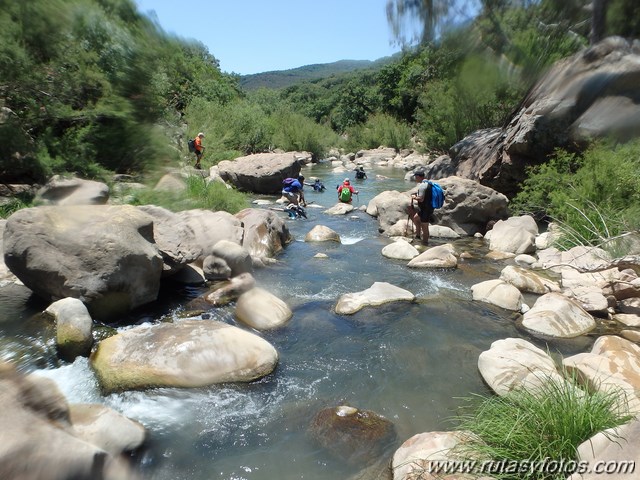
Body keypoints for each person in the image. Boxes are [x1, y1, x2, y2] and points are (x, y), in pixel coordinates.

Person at [408, 170, 433, 245]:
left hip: (426, 209)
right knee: (416, 218)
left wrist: (414, 197)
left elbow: (421, 199)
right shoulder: (428, 183)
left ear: (418, 177)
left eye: (415, 177)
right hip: (427, 208)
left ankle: (425, 244)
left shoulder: (422, 186)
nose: (415, 178)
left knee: (425, 227)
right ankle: (418, 236)